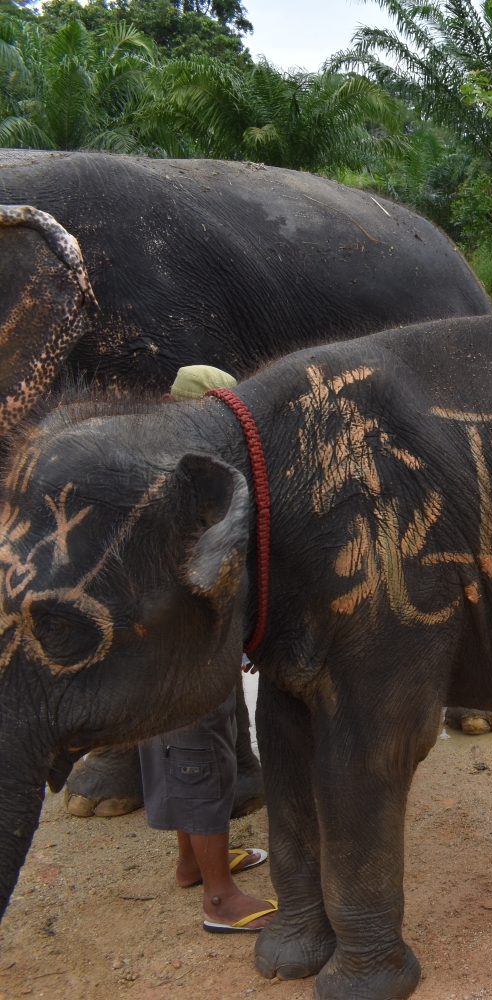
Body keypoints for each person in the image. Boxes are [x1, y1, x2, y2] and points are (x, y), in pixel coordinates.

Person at [139, 364, 277, 934]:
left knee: (184, 754)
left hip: (168, 655)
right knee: (202, 759)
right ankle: (219, 900)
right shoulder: (182, 484)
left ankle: (190, 864)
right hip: (184, 656)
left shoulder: (159, 466)